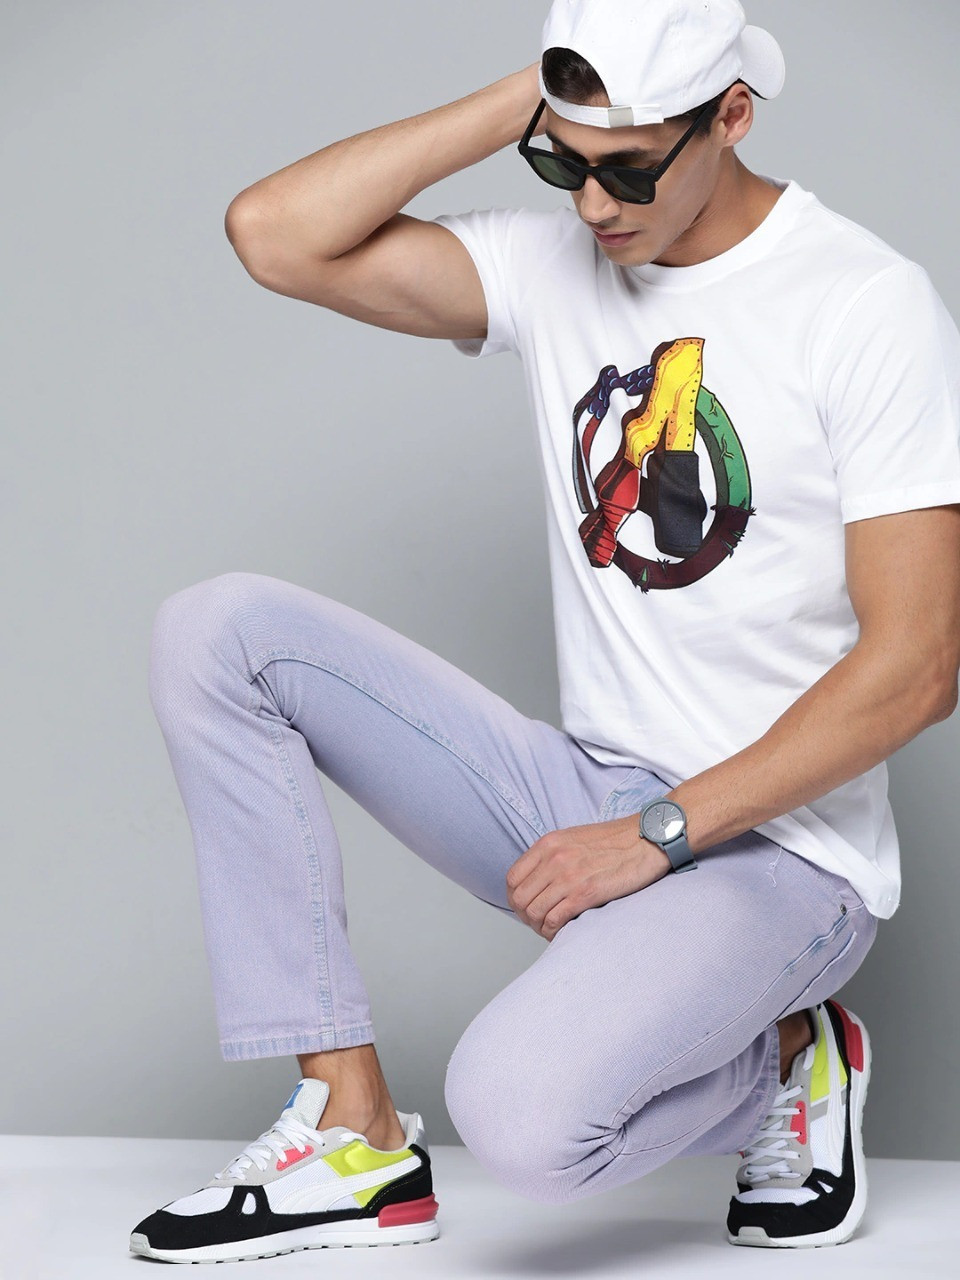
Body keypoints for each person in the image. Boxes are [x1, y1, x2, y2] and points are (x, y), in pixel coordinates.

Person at [130, 0, 960, 1264]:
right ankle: (352, 1133)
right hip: (579, 788)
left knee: (522, 1122)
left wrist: (659, 832)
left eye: (630, 169)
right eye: (561, 164)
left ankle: (795, 1057)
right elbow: (275, 233)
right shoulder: (553, 262)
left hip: (784, 852)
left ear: (732, 116)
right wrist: (550, 98)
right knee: (219, 633)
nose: (594, 206)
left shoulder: (863, 303)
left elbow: (918, 667)